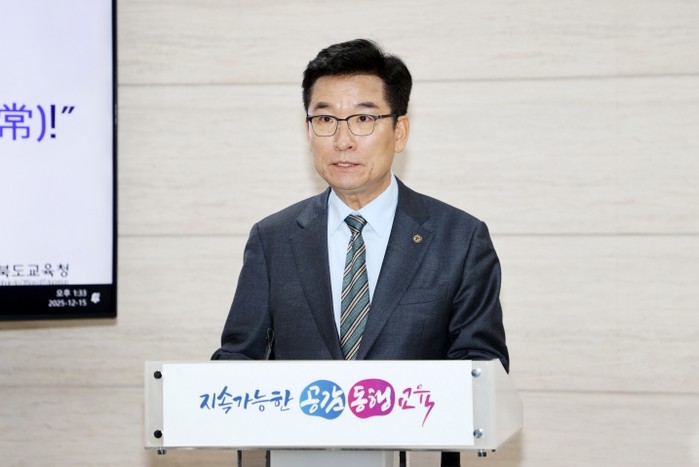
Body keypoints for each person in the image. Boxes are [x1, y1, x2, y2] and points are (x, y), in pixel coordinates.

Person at [212, 39, 508, 466]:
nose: (342, 140)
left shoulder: (460, 239)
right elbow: (239, 359)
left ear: (399, 131)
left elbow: (481, 372)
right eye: (325, 119)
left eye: (364, 119)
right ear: (308, 130)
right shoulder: (273, 238)